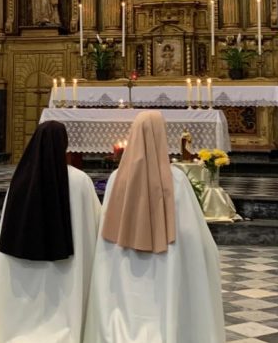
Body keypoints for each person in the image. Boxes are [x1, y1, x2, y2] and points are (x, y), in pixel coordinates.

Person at [83, 111, 224, 343]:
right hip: (165, 257)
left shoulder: (117, 177)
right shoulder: (177, 180)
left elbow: (106, 223)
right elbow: (191, 229)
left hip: (123, 258)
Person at [0, 121, 101, 343]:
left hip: (20, 272)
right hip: (67, 273)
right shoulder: (79, 180)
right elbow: (94, 222)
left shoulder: (18, 181)